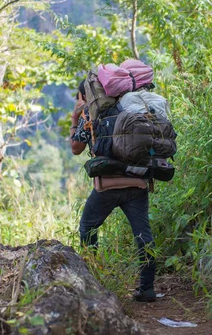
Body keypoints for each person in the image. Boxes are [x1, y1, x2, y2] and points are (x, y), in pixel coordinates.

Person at [70, 80, 157, 303]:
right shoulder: (133, 112)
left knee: (88, 227)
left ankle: (94, 281)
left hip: (107, 187)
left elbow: (76, 148)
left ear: (86, 96)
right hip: (137, 183)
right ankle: (147, 289)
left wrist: (75, 117)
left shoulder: (91, 116)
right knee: (143, 236)